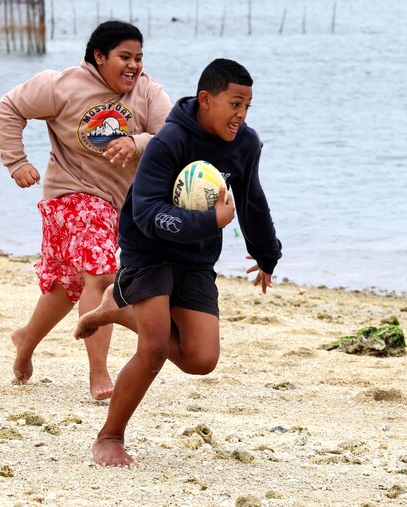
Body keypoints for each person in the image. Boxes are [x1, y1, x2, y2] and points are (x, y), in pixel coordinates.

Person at [74, 58, 282, 467]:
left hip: (196, 256)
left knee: (201, 360)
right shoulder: (169, 140)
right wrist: (210, 220)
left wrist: (266, 253)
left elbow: (252, 200)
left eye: (248, 106)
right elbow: (147, 212)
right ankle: (110, 437)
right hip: (148, 248)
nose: (241, 115)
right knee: (152, 349)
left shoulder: (246, 144)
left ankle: (117, 310)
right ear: (206, 99)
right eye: (234, 103)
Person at [0, 20, 172, 400]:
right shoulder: (62, 85)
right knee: (102, 275)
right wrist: (16, 161)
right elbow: (8, 107)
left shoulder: (148, 92)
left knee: (68, 286)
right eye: (125, 57)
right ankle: (99, 375)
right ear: (99, 56)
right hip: (69, 196)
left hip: (118, 206)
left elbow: (171, 138)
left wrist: (136, 142)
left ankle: (25, 340)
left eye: (139, 58)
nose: (134, 66)